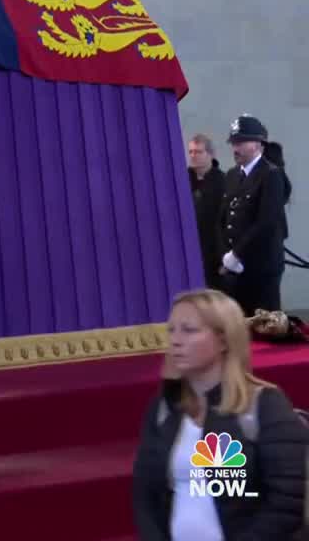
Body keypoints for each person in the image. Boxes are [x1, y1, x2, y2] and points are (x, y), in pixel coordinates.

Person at [132, 289, 309, 540]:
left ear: (224, 340)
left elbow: (287, 504)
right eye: (171, 330)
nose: (175, 340)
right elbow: (145, 497)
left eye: (189, 330)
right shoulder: (164, 408)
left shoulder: (266, 405)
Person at [217, 115, 288, 314]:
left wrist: (237, 254)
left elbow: (266, 222)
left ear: (257, 144)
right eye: (233, 142)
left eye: (240, 142)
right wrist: (226, 255)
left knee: (264, 331)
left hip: (261, 269)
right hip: (234, 269)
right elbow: (223, 218)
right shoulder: (232, 175)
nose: (235, 148)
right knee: (237, 330)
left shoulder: (271, 175)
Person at [187, 133, 225, 290]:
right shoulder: (183, 178)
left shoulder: (222, 180)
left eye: (198, 152)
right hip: (189, 245)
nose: (193, 156)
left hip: (213, 249)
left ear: (210, 154)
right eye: (191, 152)